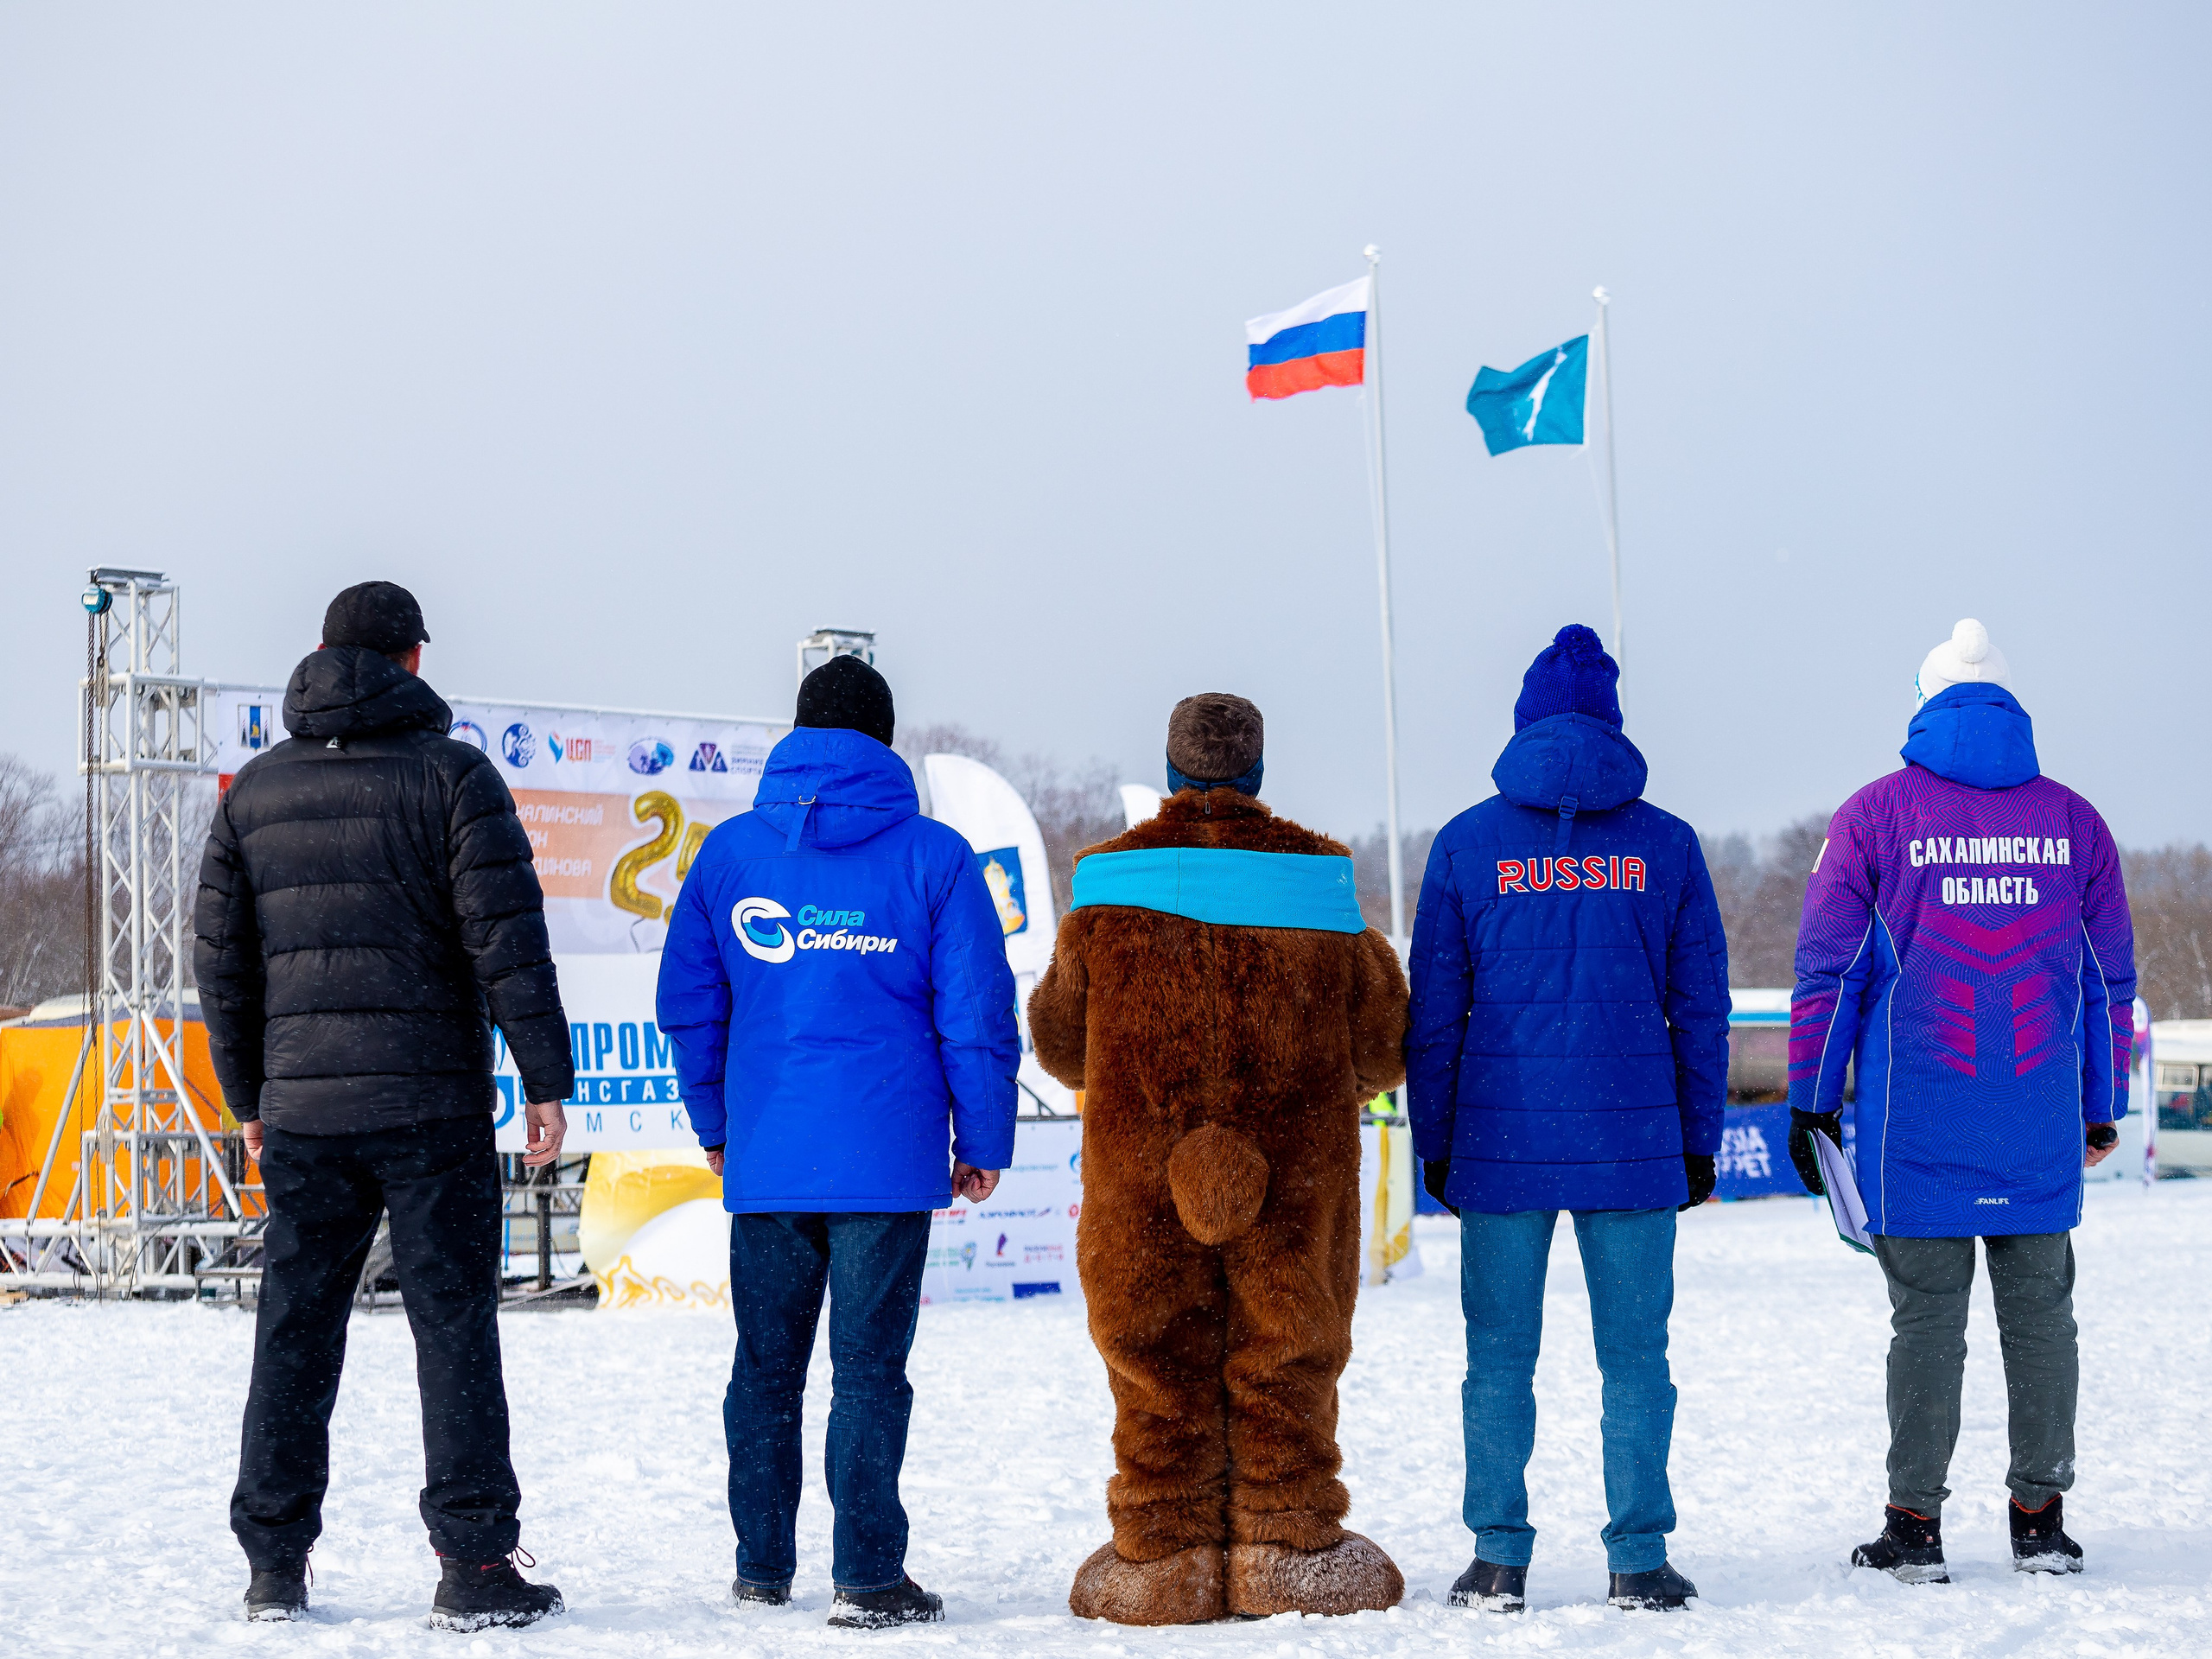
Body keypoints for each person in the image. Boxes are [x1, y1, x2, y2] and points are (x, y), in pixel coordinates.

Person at [194, 581, 574, 1630]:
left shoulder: (254, 791)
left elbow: (222, 965)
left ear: (322, 654)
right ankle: (475, 1568)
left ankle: (273, 1563)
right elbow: (509, 940)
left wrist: (249, 1096)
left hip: (305, 1109)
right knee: (451, 1329)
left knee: (295, 1328)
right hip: (429, 1106)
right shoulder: (455, 775)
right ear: (412, 662)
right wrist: (545, 1079)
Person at [1027, 692, 1411, 1624]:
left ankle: (1162, 1551)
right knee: (1290, 1336)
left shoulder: (1105, 884)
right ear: (1258, 774)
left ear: (1170, 772)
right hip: (1296, 1161)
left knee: (1151, 1344)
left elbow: (1059, 1043)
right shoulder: (1320, 881)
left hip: (1140, 1164)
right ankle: (1285, 1540)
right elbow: (1385, 1042)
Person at [656, 653, 1019, 1630]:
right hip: (888, 1165)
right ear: (884, 743)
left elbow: (687, 1006)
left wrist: (718, 1125)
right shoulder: (934, 858)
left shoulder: (730, 854)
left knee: (763, 1370)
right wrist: (982, 1134)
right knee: (868, 1371)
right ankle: (866, 1576)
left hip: (769, 1157)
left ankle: (761, 1566)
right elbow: (976, 1013)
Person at [1788, 619, 2135, 1583]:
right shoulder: (2074, 823)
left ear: (1924, 705)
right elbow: (2109, 982)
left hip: (1917, 1122)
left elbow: (1831, 973)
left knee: (1925, 1326)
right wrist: (2098, 1106)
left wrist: (1811, 1103)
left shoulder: (1873, 817)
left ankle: (1914, 1529)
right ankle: (2040, 1520)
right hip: (2035, 1122)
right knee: (2041, 1324)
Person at [1404, 624, 1729, 1614]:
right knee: (1635, 1360)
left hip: (1500, 1144)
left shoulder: (1467, 843)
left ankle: (1497, 1557)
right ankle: (1638, 1559)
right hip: (1631, 1148)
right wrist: (1698, 1140)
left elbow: (1434, 1013)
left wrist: (1438, 1143)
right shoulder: (1665, 843)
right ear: (1613, 724)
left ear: (1524, 722)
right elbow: (1702, 1007)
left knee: (1497, 1357)